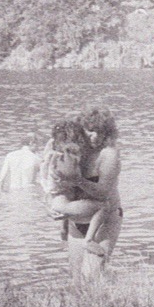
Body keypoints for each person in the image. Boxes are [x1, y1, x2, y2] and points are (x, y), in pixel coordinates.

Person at [54, 107, 123, 280]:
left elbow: (103, 192)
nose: (96, 136)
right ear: (81, 130)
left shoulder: (109, 154)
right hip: (77, 219)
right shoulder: (75, 150)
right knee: (77, 278)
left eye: (101, 132)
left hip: (105, 218)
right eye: (90, 131)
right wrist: (57, 208)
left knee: (92, 275)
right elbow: (59, 184)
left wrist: (78, 180)